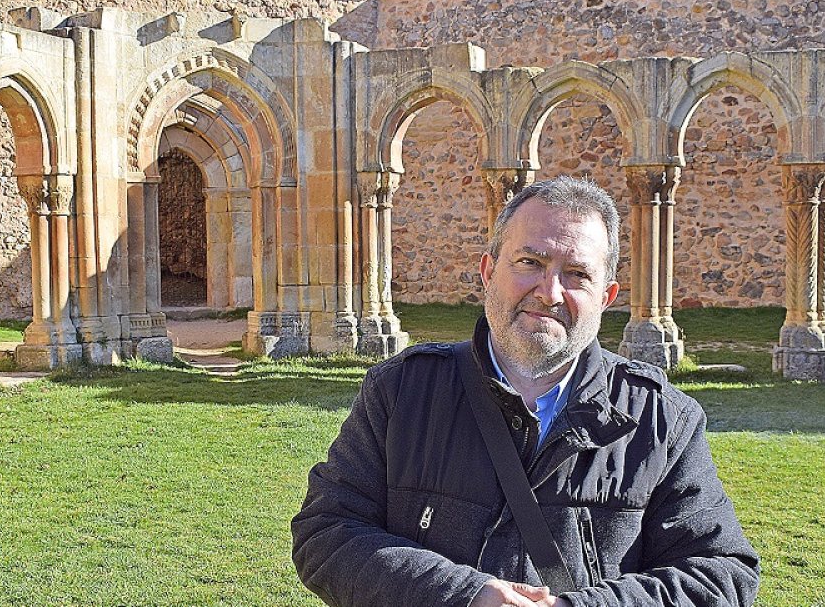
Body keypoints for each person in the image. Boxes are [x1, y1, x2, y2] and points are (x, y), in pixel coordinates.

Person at [291, 176, 760, 607]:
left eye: (577, 274)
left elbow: (721, 574)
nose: (550, 291)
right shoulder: (402, 391)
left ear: (608, 296)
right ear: (488, 270)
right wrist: (463, 595)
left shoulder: (661, 420)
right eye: (529, 262)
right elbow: (326, 532)